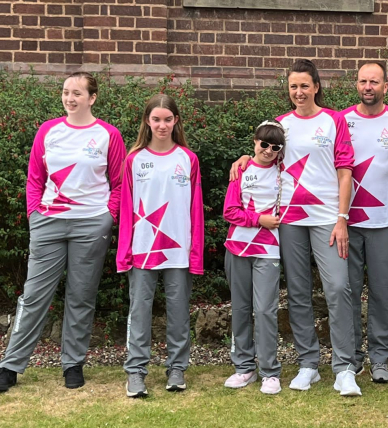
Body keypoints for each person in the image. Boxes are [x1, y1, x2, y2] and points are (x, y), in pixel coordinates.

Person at [229, 59, 361, 397]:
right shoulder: (282, 125)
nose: (298, 92)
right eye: (293, 87)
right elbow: (263, 154)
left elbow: (345, 171)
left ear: (317, 86)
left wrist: (342, 218)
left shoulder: (335, 120)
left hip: (327, 219)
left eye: (304, 85)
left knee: (338, 287)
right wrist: (244, 159)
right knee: (299, 293)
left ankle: (345, 367)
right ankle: (308, 364)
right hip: (288, 220)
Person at [0, 72, 126, 393]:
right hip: (48, 221)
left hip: (91, 224)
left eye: (78, 94)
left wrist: (107, 217)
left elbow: (119, 183)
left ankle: (72, 363)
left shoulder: (108, 135)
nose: (70, 99)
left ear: (92, 98)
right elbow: (34, 178)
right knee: (33, 296)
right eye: (66, 92)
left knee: (81, 296)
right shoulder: (48, 131)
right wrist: (34, 214)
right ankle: (11, 365)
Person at [117, 94, 204, 398]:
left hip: (178, 251)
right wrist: (124, 251)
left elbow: (196, 211)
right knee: (139, 312)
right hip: (142, 250)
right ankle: (136, 372)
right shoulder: (134, 159)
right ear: (147, 121)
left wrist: (195, 253)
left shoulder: (188, 159)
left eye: (168, 119)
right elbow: (126, 209)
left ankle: (177, 368)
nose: (162, 125)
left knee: (179, 312)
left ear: (176, 121)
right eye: (156, 119)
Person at [341, 62, 388, 384]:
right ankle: (352, 356)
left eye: (375, 81)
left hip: (386, 222)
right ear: (356, 85)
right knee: (349, 291)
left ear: (386, 86)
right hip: (347, 223)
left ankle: (380, 358)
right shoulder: (341, 120)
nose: (368, 86)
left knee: (384, 293)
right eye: (363, 81)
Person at [222, 120, 287, 395]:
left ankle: (270, 371)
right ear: (254, 141)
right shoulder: (242, 170)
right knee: (240, 309)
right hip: (237, 248)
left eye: (275, 146)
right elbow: (229, 211)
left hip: (268, 250)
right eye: (263, 143)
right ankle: (244, 367)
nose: (268, 150)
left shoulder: (285, 173)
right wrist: (259, 219)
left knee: (264, 311)